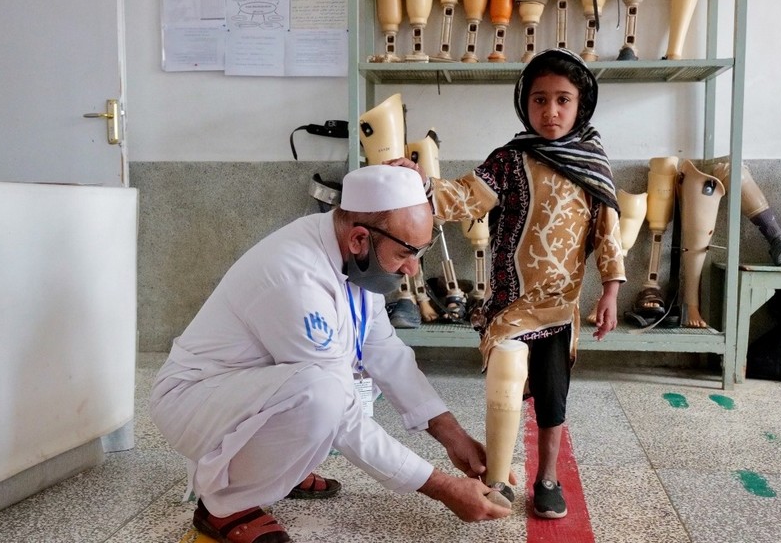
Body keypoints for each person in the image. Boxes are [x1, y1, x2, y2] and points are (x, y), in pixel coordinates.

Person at [149, 165, 510, 543]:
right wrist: (442, 487)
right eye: (406, 253)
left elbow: (384, 350)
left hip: (245, 393)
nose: (412, 268)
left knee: (322, 390)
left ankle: (279, 465)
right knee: (322, 394)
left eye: (421, 252)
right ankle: (224, 507)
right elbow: (343, 417)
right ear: (358, 239)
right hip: (193, 401)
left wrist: (453, 436)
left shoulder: (359, 257)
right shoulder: (295, 276)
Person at [391, 48, 625, 520]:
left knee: (553, 396)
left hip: (560, 307)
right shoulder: (509, 160)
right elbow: (463, 194)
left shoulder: (593, 164)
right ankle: (498, 476)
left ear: (582, 105)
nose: (551, 110)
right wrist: (421, 184)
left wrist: (611, 290)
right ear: (525, 103)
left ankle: (547, 477)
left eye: (563, 99)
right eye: (540, 99)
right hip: (510, 304)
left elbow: (608, 231)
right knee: (504, 378)